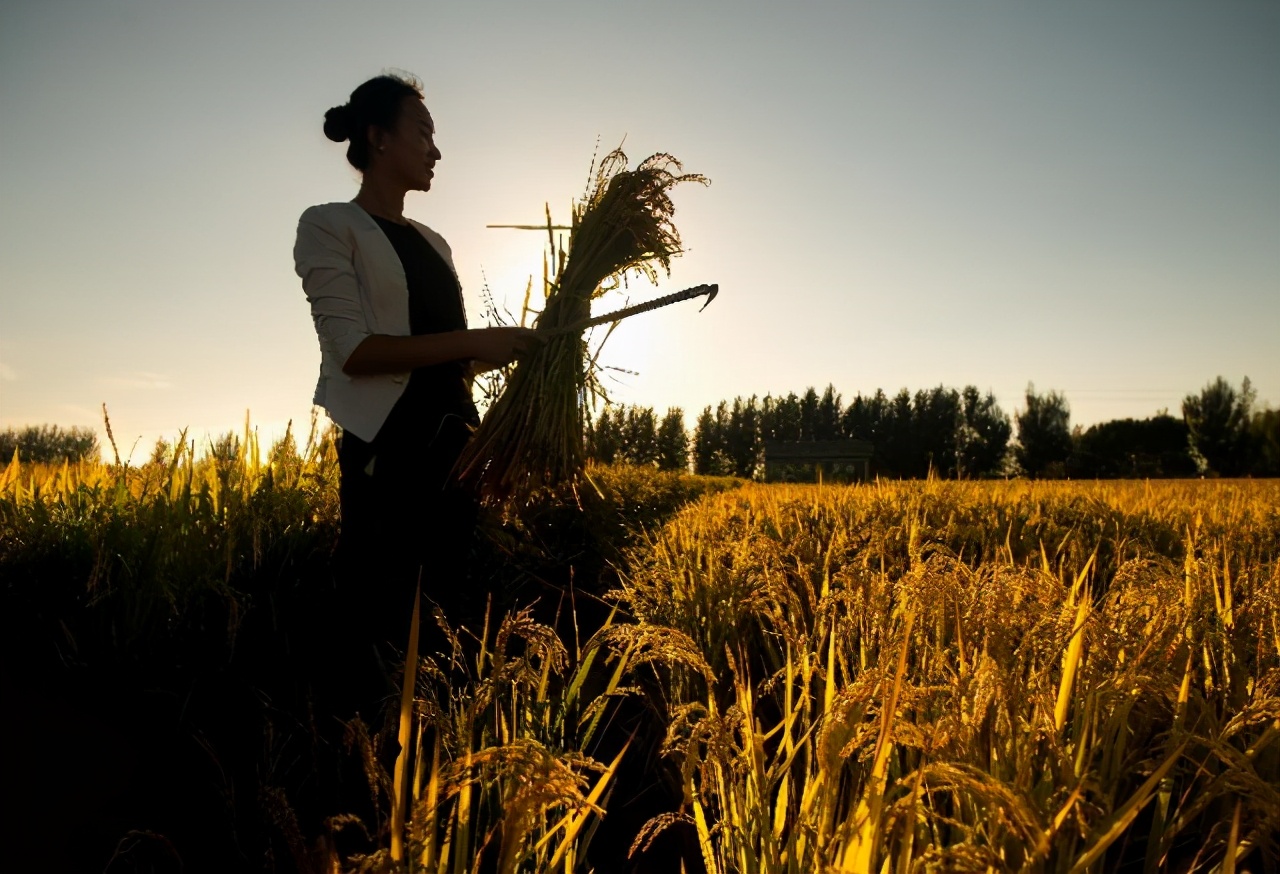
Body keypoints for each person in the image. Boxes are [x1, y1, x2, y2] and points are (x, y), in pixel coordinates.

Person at [292, 72, 538, 835]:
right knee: (377, 627)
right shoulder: (329, 225)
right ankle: (351, 805)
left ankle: (437, 802)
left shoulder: (434, 242)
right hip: (386, 456)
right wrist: (477, 343)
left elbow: (450, 361)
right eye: (424, 131)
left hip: (452, 454)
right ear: (379, 139)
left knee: (447, 629)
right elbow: (358, 351)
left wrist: (507, 361)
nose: (437, 148)